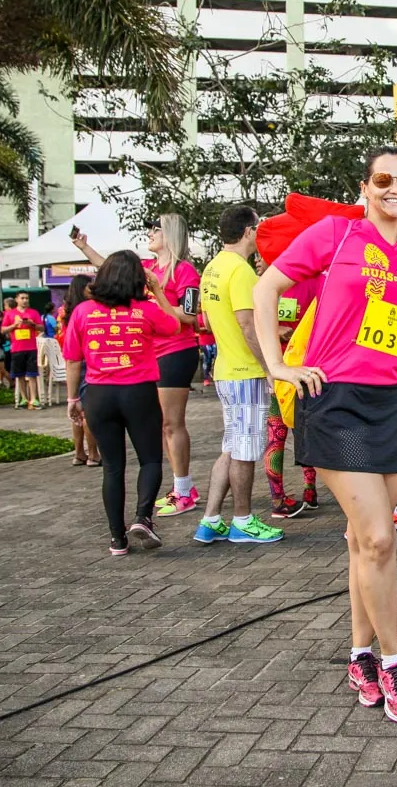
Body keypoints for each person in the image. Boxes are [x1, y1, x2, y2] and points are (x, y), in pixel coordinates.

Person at [254, 146, 397, 725]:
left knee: (362, 542)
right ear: (366, 186)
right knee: (381, 539)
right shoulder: (337, 234)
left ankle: (359, 655)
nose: (394, 188)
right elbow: (266, 289)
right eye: (384, 179)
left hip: (394, 402)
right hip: (336, 402)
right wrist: (278, 364)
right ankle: (394, 660)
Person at [73, 215, 203, 518]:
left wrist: (158, 297)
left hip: (176, 350)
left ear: (169, 234)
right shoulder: (149, 269)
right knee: (159, 425)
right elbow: (113, 270)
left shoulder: (183, 271)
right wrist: (85, 248)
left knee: (172, 424)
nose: (149, 234)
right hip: (151, 354)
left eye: (155, 229)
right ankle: (181, 486)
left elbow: (189, 316)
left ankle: (183, 490)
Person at [62, 250, 183, 555]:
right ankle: (143, 518)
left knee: (113, 467)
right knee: (150, 460)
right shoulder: (145, 309)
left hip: (99, 396)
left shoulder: (83, 312)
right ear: (138, 280)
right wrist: (157, 291)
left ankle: (117, 538)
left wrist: (73, 397)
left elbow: (73, 360)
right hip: (138, 393)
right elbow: (175, 326)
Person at [191, 205, 285, 546]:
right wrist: (269, 367)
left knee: (232, 446)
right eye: (258, 228)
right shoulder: (242, 272)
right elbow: (248, 325)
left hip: (226, 370)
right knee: (245, 449)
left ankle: (210, 519)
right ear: (249, 231)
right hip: (245, 372)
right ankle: (243, 520)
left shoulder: (212, 268)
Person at [264, 279, 320, 518]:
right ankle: (281, 496)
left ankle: (308, 489)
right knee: (281, 433)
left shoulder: (311, 282)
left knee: (300, 432)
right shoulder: (267, 285)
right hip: (284, 372)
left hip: (302, 371)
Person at [60, 275, 99, 467]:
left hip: (72, 363)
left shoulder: (66, 312)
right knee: (88, 412)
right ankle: (93, 454)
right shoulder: (88, 311)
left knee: (76, 410)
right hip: (87, 361)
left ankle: (79, 453)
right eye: (90, 286)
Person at [2, 292, 44, 409]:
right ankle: (24, 399)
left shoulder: (33, 313)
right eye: (22, 298)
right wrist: (14, 325)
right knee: (19, 375)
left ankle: (34, 399)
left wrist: (32, 324)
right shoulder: (10, 314)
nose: (25, 300)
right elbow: (3, 330)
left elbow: (41, 327)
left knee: (32, 374)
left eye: (27, 298)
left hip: (31, 348)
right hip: (17, 348)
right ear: (17, 300)